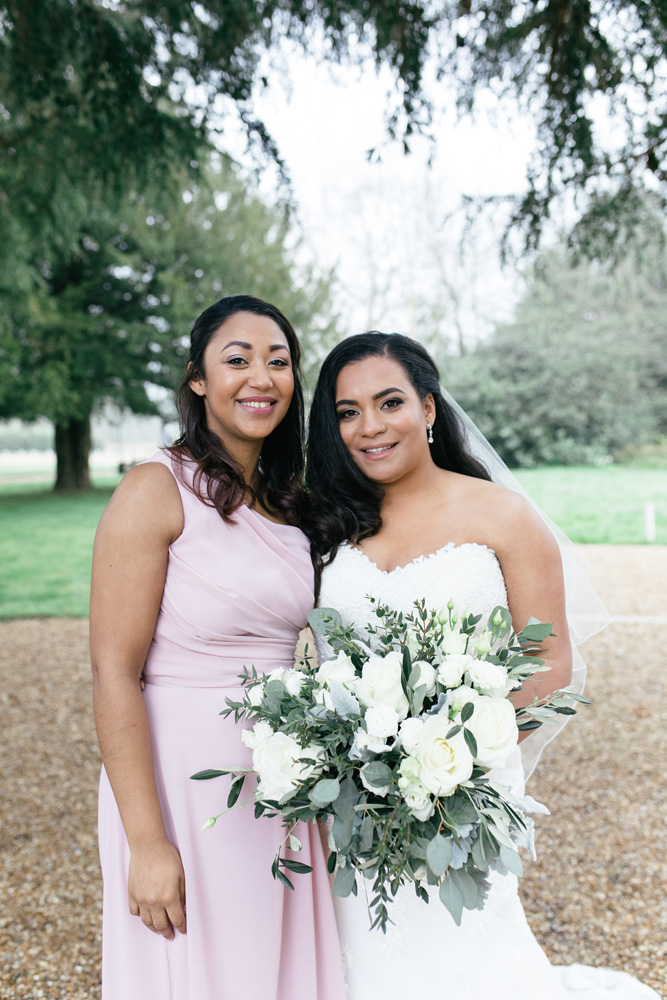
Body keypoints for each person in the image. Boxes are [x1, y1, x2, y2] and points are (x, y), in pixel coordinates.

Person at [304, 331, 659, 1000]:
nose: (370, 426)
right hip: (349, 802)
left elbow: (549, 657)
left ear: (429, 408)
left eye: (389, 403)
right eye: (347, 412)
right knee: (364, 959)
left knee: (469, 954)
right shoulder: (322, 523)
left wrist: (456, 767)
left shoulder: (501, 515)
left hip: (460, 796)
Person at [90, 295, 346, 1000]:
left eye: (278, 361)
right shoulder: (155, 489)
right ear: (198, 379)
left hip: (280, 784)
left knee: (273, 971)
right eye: (236, 360)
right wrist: (148, 843)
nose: (260, 376)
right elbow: (114, 674)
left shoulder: (286, 500)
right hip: (181, 787)